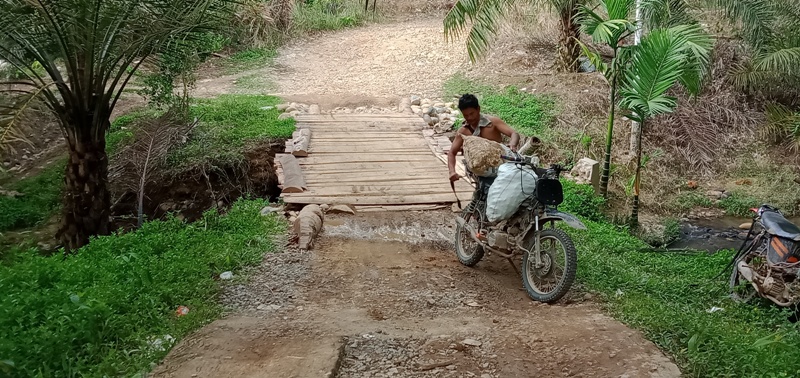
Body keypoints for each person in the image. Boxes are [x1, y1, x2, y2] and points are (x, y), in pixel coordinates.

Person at [447, 94, 520, 184]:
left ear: (478, 109)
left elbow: (514, 133)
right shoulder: (463, 132)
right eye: (466, 115)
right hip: (480, 173)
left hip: (500, 167)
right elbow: (451, 153)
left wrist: (513, 144)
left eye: (472, 113)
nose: (469, 118)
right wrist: (452, 172)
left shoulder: (493, 123)